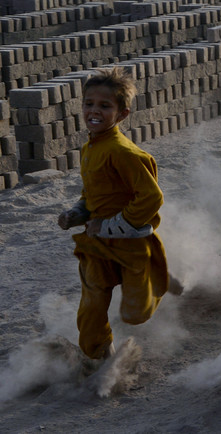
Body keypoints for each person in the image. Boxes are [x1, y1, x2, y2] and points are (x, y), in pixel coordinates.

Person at [56, 68, 177, 360]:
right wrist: (77, 213)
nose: (94, 111)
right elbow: (94, 192)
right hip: (96, 245)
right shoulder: (89, 148)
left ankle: (157, 275)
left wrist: (111, 225)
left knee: (135, 315)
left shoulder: (124, 153)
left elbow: (151, 197)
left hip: (130, 243)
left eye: (104, 106)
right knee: (93, 304)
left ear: (122, 114)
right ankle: (100, 358)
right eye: (88, 103)